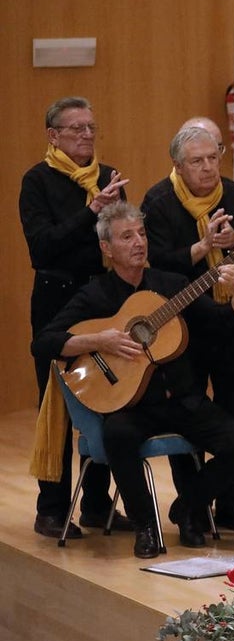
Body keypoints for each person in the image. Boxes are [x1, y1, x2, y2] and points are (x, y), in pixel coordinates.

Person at [31, 202, 234, 558]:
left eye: (141, 234)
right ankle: (145, 525)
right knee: (118, 435)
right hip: (131, 404)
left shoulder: (172, 285)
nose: (138, 242)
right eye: (126, 236)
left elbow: (222, 325)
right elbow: (43, 342)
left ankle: (187, 506)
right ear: (107, 249)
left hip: (182, 400)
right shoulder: (95, 295)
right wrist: (100, 340)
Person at [140, 124, 234, 532]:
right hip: (180, 328)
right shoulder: (158, 202)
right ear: (177, 164)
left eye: (214, 158)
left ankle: (232, 502)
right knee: (187, 411)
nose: (208, 168)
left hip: (230, 320)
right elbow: (151, 268)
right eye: (197, 161)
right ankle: (193, 502)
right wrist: (202, 248)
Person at [20, 96, 127, 538]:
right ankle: (52, 507)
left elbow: (123, 235)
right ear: (53, 136)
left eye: (91, 127)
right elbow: (42, 247)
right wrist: (90, 213)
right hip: (55, 296)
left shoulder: (108, 177)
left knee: (103, 397)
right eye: (76, 128)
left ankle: (98, 506)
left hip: (102, 295)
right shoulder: (38, 180)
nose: (86, 135)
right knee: (57, 402)